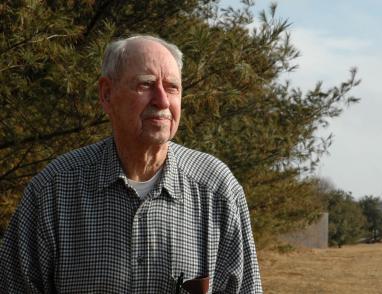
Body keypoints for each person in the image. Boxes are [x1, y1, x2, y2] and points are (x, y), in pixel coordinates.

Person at [0, 35, 262, 293]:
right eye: (146, 85)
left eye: (172, 87)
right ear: (107, 94)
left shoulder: (217, 189)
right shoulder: (54, 191)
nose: (162, 100)